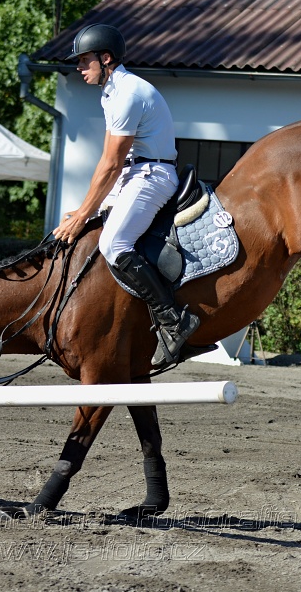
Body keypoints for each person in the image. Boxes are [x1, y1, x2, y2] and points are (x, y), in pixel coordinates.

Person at [52, 23, 199, 367]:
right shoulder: (112, 92)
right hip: (134, 172)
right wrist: (83, 213)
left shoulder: (128, 93)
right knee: (84, 225)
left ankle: (173, 319)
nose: (79, 67)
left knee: (113, 245)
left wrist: (86, 213)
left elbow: (110, 163)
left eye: (85, 60)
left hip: (152, 174)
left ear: (106, 59)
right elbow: (112, 164)